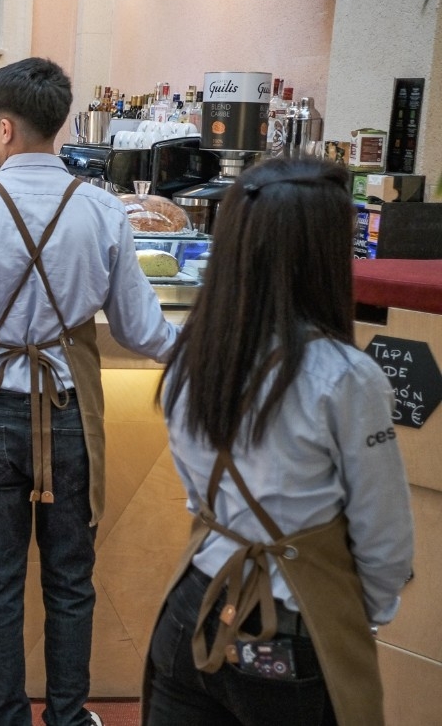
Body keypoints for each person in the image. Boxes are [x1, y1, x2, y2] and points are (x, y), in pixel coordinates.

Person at [0, 57, 177, 726]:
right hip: (72, 411)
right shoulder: (103, 208)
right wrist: (210, 350)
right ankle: (68, 716)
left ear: (1, 128)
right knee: (70, 581)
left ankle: (4, 718)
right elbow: (144, 330)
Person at [144, 158, 414, 726]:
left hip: (191, 607)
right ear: (321, 257)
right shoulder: (345, 376)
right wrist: (354, 616)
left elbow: (198, 501)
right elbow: (385, 541)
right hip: (289, 626)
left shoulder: (192, 356)